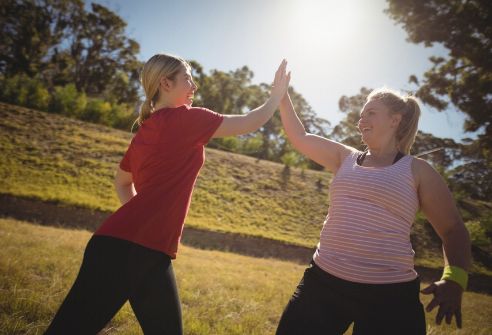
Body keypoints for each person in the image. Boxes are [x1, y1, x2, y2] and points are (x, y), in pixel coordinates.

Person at [45, 54, 290, 334]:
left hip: (149, 252)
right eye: (187, 78)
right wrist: (276, 96)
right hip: (123, 251)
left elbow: (122, 182)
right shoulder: (186, 119)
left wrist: (144, 215)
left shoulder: (145, 132)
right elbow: (249, 121)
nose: (193, 86)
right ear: (165, 83)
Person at [275, 88, 471, 335]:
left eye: (370, 113)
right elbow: (299, 136)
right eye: (360, 114)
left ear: (394, 120)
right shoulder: (344, 157)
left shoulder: (418, 171)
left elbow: (453, 229)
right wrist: (283, 96)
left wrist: (455, 279)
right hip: (323, 283)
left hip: (389, 297)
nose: (361, 120)